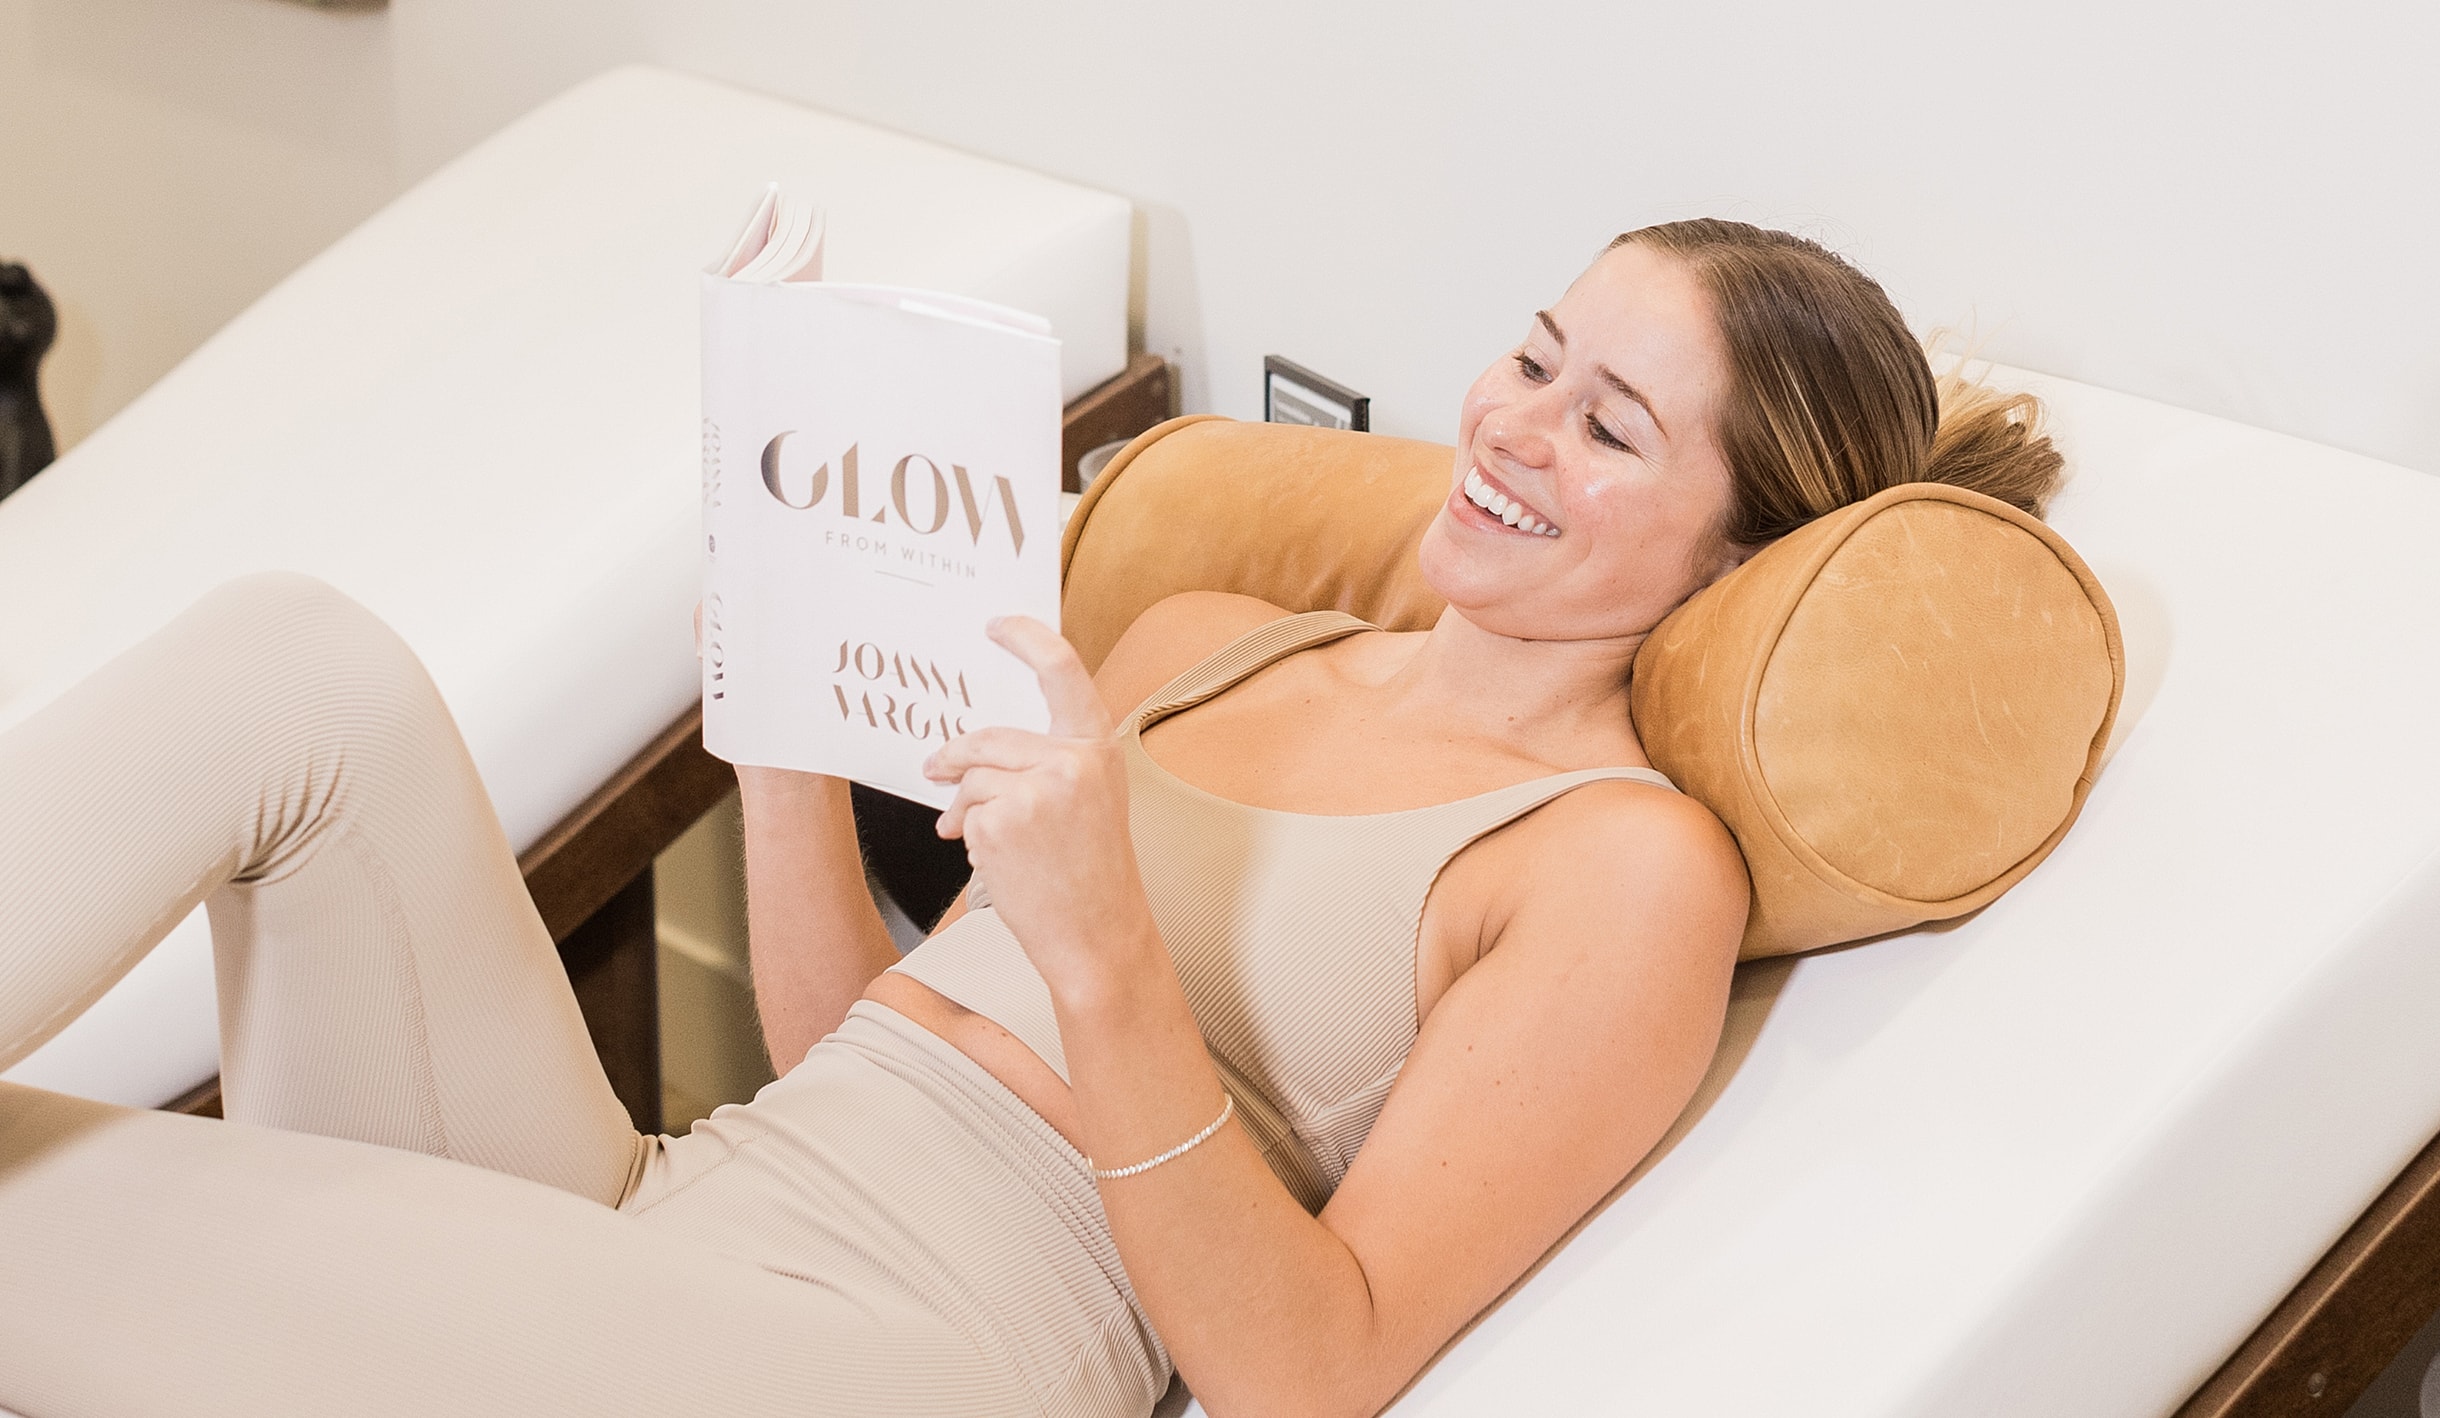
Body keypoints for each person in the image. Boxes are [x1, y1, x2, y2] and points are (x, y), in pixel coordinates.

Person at [0, 220, 2061, 1418]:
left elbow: (1308, 1369)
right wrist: (781, 719)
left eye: (1607, 425)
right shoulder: (1211, 638)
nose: (1514, 427)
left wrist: (1101, 937)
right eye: (1532, 358)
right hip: (668, 1219)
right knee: (298, 668)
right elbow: (855, 1045)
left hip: (899, 1358)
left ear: (1737, 549)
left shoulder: (1621, 865)